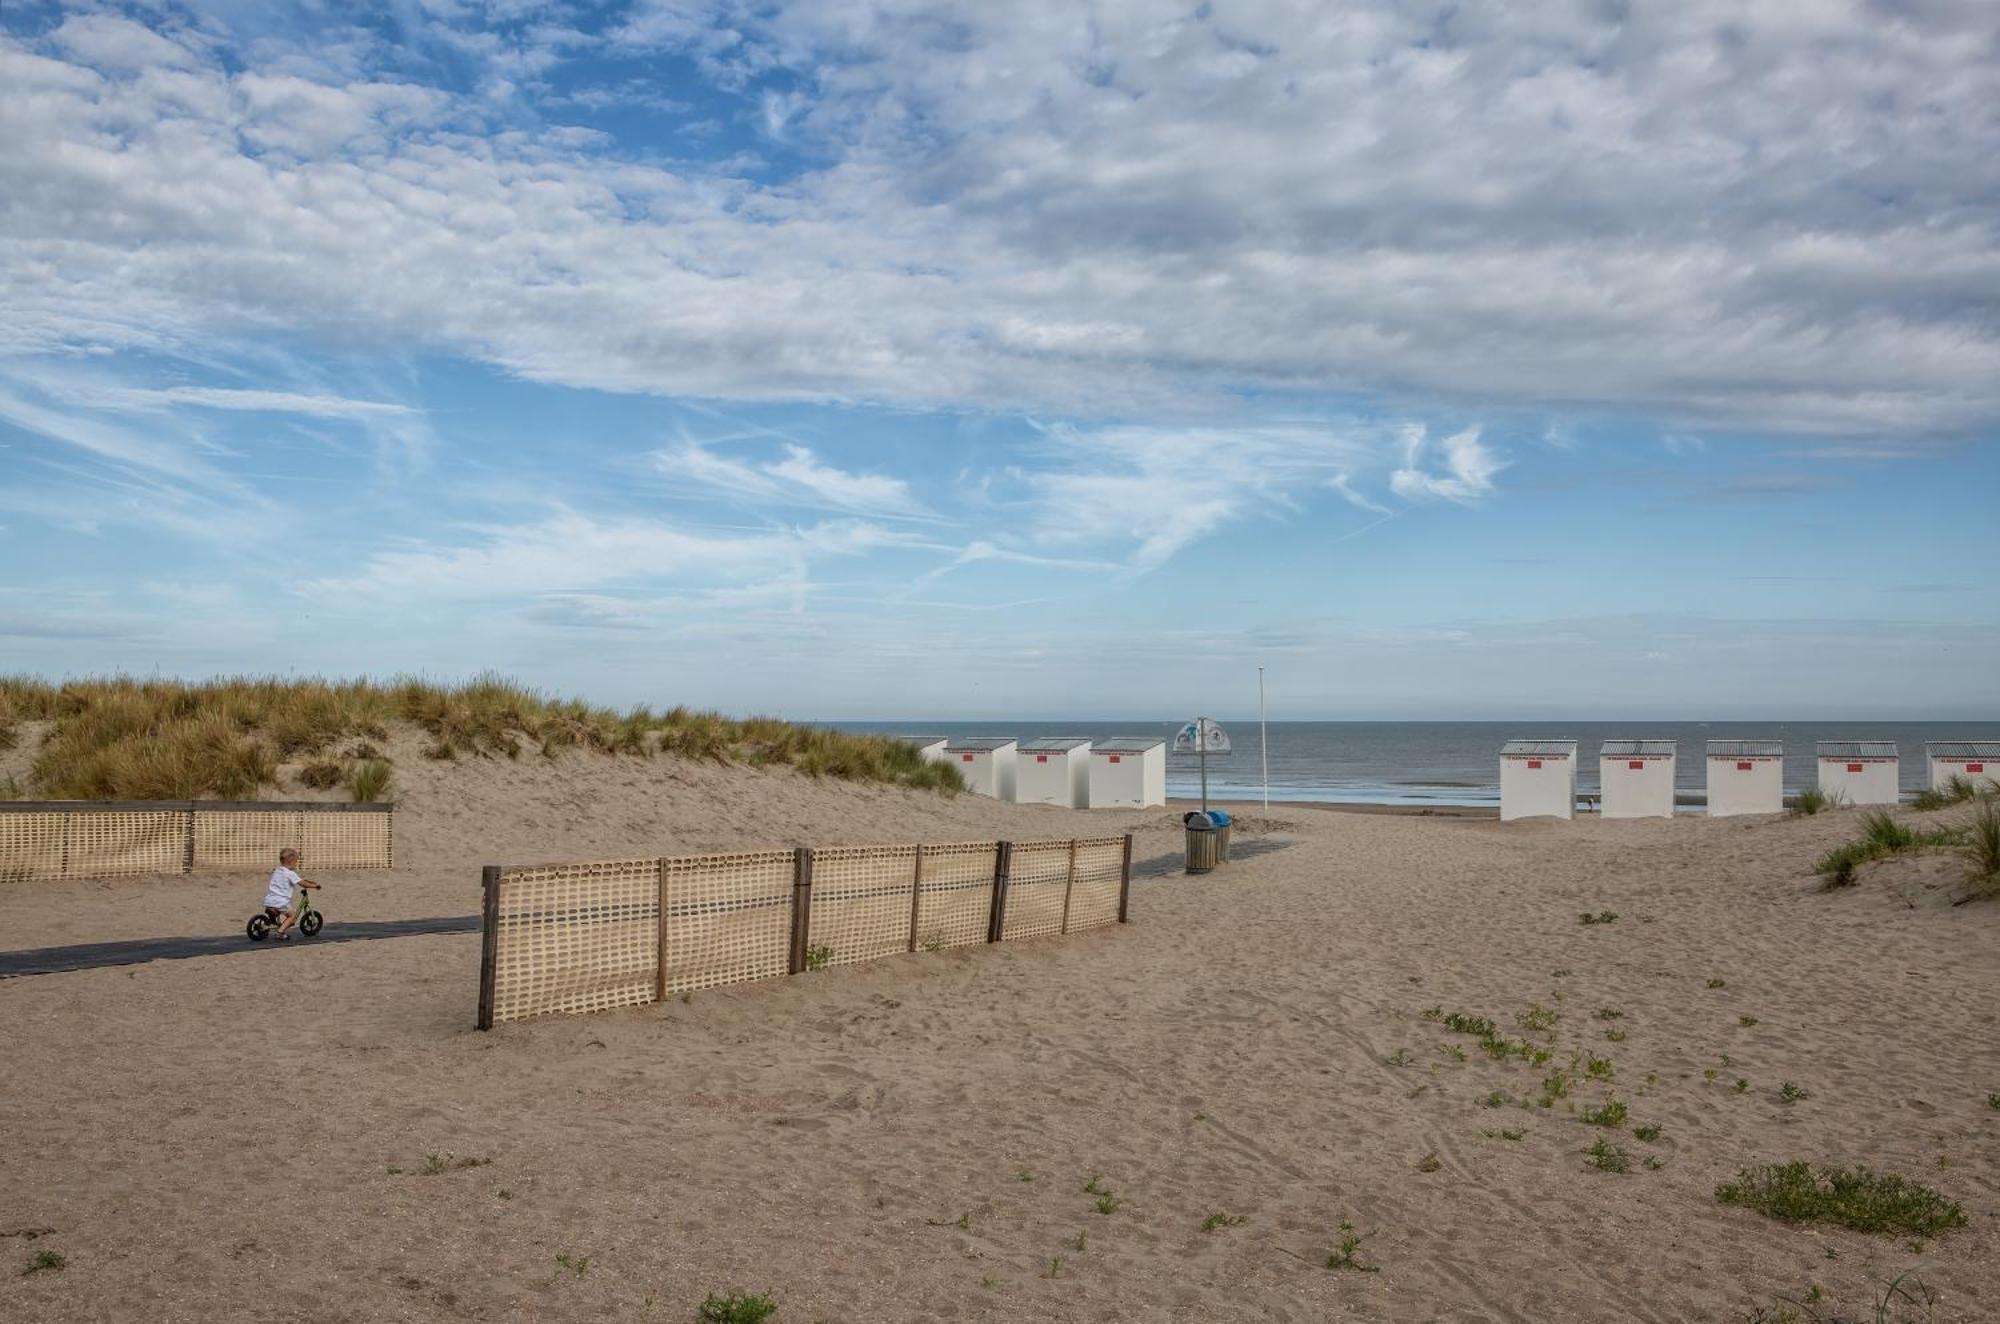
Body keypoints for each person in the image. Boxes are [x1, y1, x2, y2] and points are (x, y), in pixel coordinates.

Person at [262, 848, 320, 940]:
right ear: (291, 862)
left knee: (277, 913)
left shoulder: (277, 870)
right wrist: (314, 886)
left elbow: (301, 880)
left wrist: (310, 882)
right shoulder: (290, 873)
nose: (296, 864)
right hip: (280, 902)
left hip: (269, 900)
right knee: (292, 917)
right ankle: (280, 932)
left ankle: (273, 923)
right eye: (296, 862)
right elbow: (302, 883)